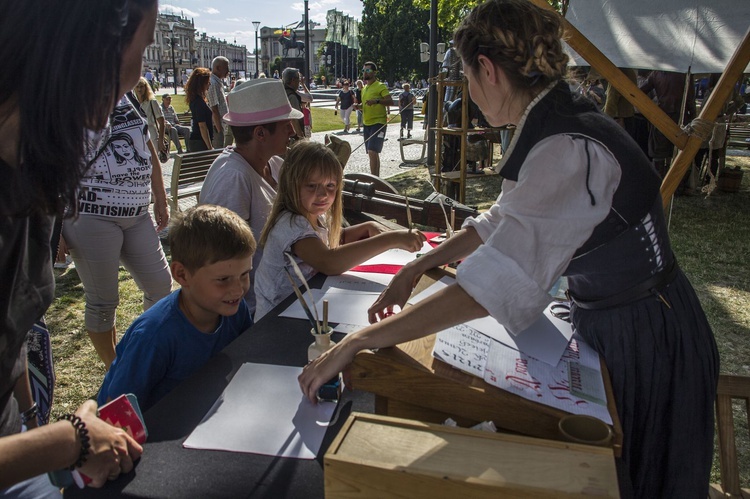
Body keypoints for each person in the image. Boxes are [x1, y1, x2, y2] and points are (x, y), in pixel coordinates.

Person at [298, 1, 718, 498]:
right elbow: (499, 220)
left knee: (640, 479)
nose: (470, 94)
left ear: (489, 70)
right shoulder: (557, 124)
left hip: (645, 336)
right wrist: (421, 264)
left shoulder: (567, 150)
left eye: (468, 79)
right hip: (622, 321)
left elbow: (490, 286)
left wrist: (356, 342)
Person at [0, 0, 160, 492]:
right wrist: (68, 440)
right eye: (144, 47)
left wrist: (32, 419)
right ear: (99, 46)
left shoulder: (35, 172)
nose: (136, 75)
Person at [98, 205, 255, 411]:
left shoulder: (234, 307)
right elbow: (116, 412)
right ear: (181, 275)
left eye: (244, 274)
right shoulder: (154, 337)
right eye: (223, 279)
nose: (238, 290)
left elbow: (246, 361)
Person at [63, 82, 173, 370]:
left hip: (137, 213)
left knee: (161, 287)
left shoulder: (122, 94)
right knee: (103, 303)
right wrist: (54, 219)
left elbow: (146, 147)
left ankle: (145, 356)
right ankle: (117, 372)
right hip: (89, 214)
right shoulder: (64, 93)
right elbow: (45, 158)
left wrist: (160, 196)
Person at [253, 141, 425, 321]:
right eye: (311, 185)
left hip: (303, 307)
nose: (323, 194)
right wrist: (392, 239)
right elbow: (329, 262)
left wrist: (367, 227)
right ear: (291, 185)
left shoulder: (314, 214)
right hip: (276, 320)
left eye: (330, 186)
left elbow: (331, 239)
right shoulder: (290, 223)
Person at [200, 79, 299, 316]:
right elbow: (223, 261)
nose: (293, 131)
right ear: (260, 133)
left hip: (283, 295)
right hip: (254, 311)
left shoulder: (274, 164)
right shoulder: (233, 178)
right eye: (286, 125)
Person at [639, 70, 696, 178]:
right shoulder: (684, 73)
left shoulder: (656, 73)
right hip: (678, 119)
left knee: (661, 153)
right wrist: (693, 118)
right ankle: (673, 185)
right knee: (676, 153)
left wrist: (652, 110)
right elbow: (690, 99)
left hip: (663, 118)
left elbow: (640, 92)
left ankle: (661, 183)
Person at [360, 62, 393, 177]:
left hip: (379, 123)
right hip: (367, 124)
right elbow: (365, 106)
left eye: (368, 70)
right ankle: (376, 178)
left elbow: (390, 101)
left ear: (374, 72)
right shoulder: (364, 89)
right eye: (364, 70)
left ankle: (374, 179)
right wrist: (359, 107)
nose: (365, 73)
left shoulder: (380, 86)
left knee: (372, 151)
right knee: (371, 153)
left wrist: (377, 101)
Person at [133, 77, 167, 156]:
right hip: (138, 137)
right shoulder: (133, 103)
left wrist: (161, 140)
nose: (139, 89)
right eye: (137, 87)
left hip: (151, 135)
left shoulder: (152, 102)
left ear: (146, 87)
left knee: (153, 161)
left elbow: (162, 122)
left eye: (141, 87)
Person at [603, 68, 638, 142]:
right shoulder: (629, 71)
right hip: (627, 114)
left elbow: (612, 98)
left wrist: (605, 118)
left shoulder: (619, 72)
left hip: (620, 117)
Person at [185, 67, 214, 152]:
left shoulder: (196, 99)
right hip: (199, 141)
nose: (209, 84)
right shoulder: (198, 102)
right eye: (207, 82)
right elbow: (202, 126)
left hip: (198, 140)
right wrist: (210, 147)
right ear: (202, 83)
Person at [208, 56, 232, 148]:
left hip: (221, 125)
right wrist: (219, 130)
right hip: (217, 127)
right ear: (218, 68)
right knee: (218, 153)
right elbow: (214, 108)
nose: (228, 70)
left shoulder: (217, 82)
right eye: (226, 67)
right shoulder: (212, 83)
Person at [281, 67, 307, 140]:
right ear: (293, 80)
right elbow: (294, 119)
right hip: (292, 137)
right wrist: (301, 138)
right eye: (298, 80)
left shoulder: (281, 92)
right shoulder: (292, 96)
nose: (299, 83)